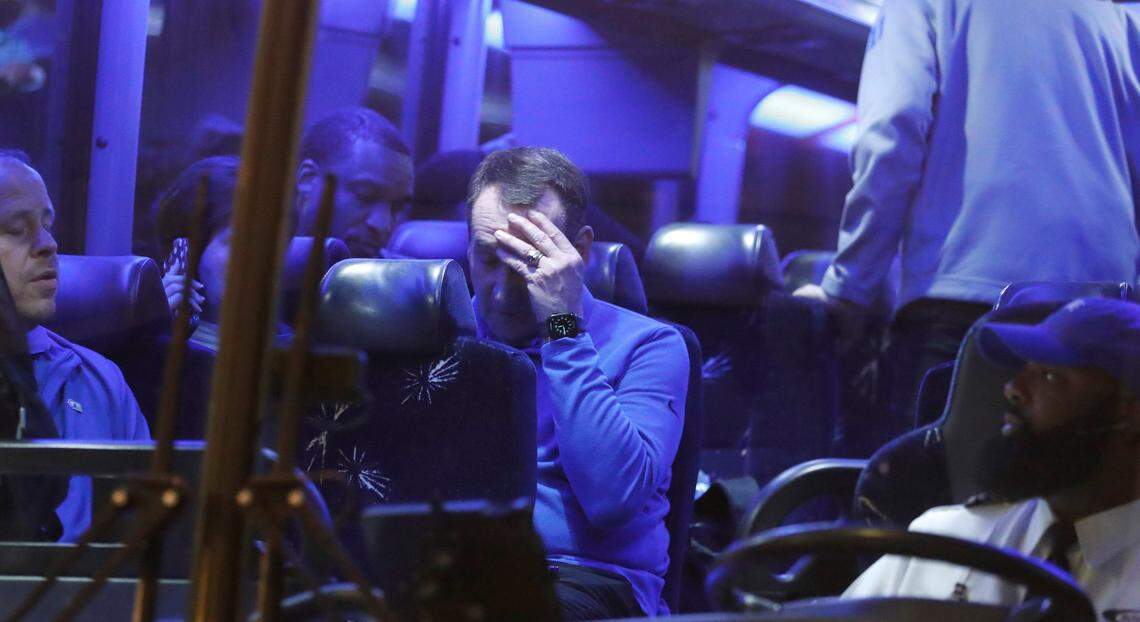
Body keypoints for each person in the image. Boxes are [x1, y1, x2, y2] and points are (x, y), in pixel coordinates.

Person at [796, 0, 1140, 440]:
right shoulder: (1111, 15)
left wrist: (849, 290)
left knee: (946, 500)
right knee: (1064, 501)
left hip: (967, 301)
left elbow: (892, 131)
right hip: (1101, 314)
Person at [465, 147, 689, 619]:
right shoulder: (441, 329)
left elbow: (610, 499)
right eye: (488, 259)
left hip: (584, 577)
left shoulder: (650, 345)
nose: (503, 291)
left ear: (578, 252)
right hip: (453, 562)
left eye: (527, 262)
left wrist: (562, 327)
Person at [844, 298, 1140, 616]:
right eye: (1022, 369)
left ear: (1131, 415)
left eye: (1051, 376)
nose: (1013, 389)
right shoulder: (946, 537)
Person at [0, 153, 150, 541]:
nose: (48, 245)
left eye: (47, 226)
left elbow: (152, 537)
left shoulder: (99, 380)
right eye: (18, 228)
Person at [295, 107, 413, 259]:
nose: (382, 225)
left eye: (397, 208)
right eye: (366, 196)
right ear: (308, 179)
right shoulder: (258, 260)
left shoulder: (410, 280)